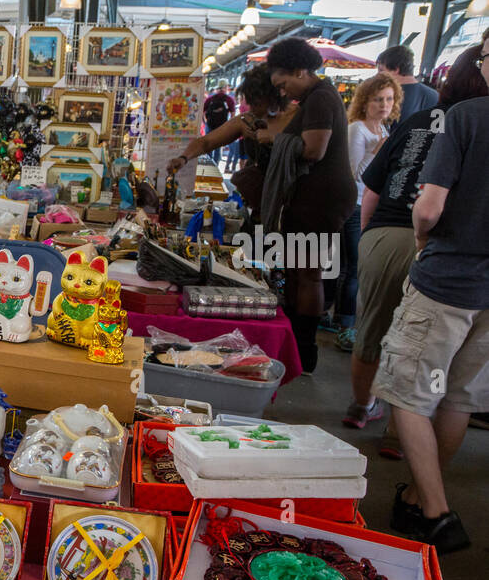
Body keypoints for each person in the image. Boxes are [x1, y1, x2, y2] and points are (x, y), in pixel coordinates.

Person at [368, 33, 489, 554]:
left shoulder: (466, 117)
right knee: (456, 396)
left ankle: (437, 513)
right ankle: (420, 494)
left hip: (446, 282)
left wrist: (421, 244)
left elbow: (429, 207)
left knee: (409, 394)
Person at [343, 43, 488, 454]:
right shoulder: (473, 121)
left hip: (396, 234)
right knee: (441, 367)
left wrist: (371, 236)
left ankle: (360, 406)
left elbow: (377, 186)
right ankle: (397, 438)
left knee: (373, 327)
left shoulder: (424, 120)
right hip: (455, 256)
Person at [265, 38, 356, 375]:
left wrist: (273, 140)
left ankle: (304, 350)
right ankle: (299, 345)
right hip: (315, 197)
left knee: (308, 274)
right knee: (299, 271)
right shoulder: (316, 97)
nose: (284, 91)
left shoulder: (319, 99)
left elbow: (314, 150)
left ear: (300, 70)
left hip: (321, 199)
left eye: (284, 82)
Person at [167, 65, 291, 221]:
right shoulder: (247, 120)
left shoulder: (295, 118)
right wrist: (183, 158)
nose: (252, 108)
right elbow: (206, 142)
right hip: (256, 203)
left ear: (273, 96)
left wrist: (275, 139)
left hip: (288, 205)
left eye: (257, 103)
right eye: (250, 102)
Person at [333, 73, 402, 349]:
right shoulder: (357, 129)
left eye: (388, 99)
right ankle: (345, 324)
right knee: (355, 267)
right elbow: (352, 175)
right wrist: (377, 152)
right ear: (365, 101)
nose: (384, 105)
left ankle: (345, 318)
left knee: (354, 266)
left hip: (373, 205)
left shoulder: (383, 130)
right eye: (377, 99)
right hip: (354, 203)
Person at [376, 45, 439, 121]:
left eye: (381, 70)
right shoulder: (435, 95)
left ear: (396, 69)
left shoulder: (388, 96)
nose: (378, 75)